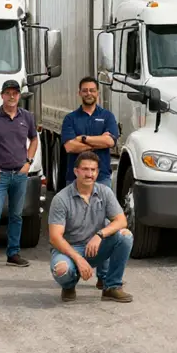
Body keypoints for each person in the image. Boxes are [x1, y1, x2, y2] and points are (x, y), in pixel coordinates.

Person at [48, 151, 134, 303]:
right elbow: (55, 237)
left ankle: (111, 287)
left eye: (93, 170)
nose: (89, 174)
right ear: (76, 171)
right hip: (70, 250)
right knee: (62, 270)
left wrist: (99, 235)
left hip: (94, 247)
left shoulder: (104, 192)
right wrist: (78, 259)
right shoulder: (61, 199)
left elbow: (121, 221)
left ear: (97, 172)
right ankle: (69, 285)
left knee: (125, 235)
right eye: (85, 169)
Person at [60, 76, 119, 289]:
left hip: (101, 176)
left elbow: (110, 141)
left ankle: (103, 276)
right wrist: (97, 141)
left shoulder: (108, 116)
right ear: (79, 93)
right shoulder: (70, 119)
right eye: (85, 90)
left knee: (102, 225)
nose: (89, 93)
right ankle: (72, 272)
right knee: (73, 225)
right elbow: (68, 147)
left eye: (92, 90)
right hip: (74, 177)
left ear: (97, 93)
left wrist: (83, 139)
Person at [0, 79, 39, 272]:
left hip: (19, 174)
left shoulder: (27, 117)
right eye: (8, 93)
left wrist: (28, 162)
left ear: (19, 96)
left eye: (15, 93)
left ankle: (13, 253)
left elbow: (34, 139)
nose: (12, 96)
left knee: (16, 215)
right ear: (2, 95)